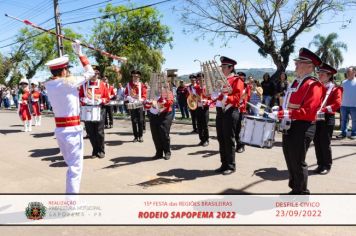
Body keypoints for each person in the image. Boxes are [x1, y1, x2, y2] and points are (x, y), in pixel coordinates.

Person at [271, 48, 324, 194]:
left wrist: (285, 112)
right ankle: (295, 188)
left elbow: (309, 112)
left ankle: (301, 192)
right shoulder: (296, 82)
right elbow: (289, 102)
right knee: (289, 158)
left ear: (309, 66)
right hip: (290, 125)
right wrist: (279, 108)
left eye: (299, 63)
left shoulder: (314, 85)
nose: (295, 65)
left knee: (298, 161)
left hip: (303, 126)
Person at [44, 40, 95, 193]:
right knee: (75, 168)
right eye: (67, 69)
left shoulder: (49, 85)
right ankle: (71, 203)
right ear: (64, 70)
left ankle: (70, 199)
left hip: (60, 130)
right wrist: (80, 54)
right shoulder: (69, 83)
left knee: (71, 166)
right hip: (72, 130)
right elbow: (90, 73)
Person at [214, 56, 244, 175]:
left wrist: (225, 97)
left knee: (229, 139)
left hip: (231, 111)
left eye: (224, 67)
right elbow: (216, 95)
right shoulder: (221, 81)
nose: (222, 69)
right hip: (220, 111)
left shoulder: (237, 80)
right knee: (221, 138)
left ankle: (231, 166)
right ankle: (224, 164)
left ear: (231, 68)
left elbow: (237, 98)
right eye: (221, 67)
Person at [313, 62, 343, 175]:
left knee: (325, 142)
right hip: (316, 117)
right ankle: (320, 164)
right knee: (316, 141)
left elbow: (337, 104)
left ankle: (327, 165)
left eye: (322, 73)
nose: (319, 75)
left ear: (329, 75)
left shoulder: (336, 89)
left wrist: (324, 109)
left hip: (327, 118)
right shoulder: (318, 87)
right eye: (319, 73)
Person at [79, 67, 110, 159]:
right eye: (92, 73)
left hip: (99, 109)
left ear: (98, 74)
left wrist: (100, 100)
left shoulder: (102, 84)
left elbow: (107, 98)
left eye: (96, 73)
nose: (94, 75)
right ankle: (94, 150)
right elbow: (79, 96)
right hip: (88, 109)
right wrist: (84, 99)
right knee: (91, 132)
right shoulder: (84, 85)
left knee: (99, 131)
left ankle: (101, 150)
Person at [145, 81, 174, 160]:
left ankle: (167, 152)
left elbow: (170, 102)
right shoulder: (151, 93)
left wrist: (159, 104)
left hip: (165, 114)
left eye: (160, 83)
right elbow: (146, 104)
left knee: (164, 134)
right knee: (155, 134)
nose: (158, 85)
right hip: (154, 115)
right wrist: (148, 103)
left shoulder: (167, 92)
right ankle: (159, 152)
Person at [125, 70, 147, 142]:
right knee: (133, 121)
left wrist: (140, 99)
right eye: (134, 76)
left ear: (139, 77)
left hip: (139, 104)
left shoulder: (142, 85)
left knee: (140, 120)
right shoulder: (128, 85)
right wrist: (130, 98)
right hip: (132, 104)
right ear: (132, 76)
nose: (135, 77)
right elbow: (125, 94)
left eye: (137, 76)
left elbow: (144, 95)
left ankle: (140, 136)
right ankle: (135, 136)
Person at [338, 66, 356, 139]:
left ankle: (354, 134)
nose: (347, 73)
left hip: (354, 105)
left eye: (349, 71)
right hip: (343, 105)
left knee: (355, 121)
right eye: (347, 71)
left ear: (354, 72)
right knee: (343, 121)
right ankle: (343, 133)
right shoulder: (343, 82)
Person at [235, 72, 250, 153]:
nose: (241, 80)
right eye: (240, 78)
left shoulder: (246, 87)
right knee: (235, 130)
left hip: (242, 110)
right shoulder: (234, 86)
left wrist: (246, 109)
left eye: (243, 79)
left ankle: (241, 146)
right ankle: (236, 145)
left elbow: (248, 98)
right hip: (234, 110)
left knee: (240, 130)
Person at [196, 72, 210, 146]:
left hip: (205, 107)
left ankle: (206, 139)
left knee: (205, 125)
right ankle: (202, 139)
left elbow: (211, 98)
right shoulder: (197, 87)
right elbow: (193, 97)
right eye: (198, 78)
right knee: (199, 125)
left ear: (203, 78)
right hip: (198, 107)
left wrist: (207, 101)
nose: (199, 79)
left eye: (200, 78)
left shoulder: (207, 87)